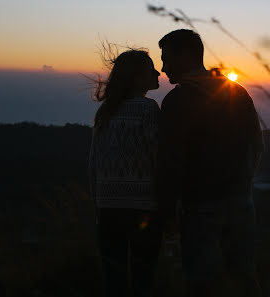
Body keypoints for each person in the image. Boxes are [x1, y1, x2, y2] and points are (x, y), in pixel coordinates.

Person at [157, 29, 264, 297]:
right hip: (242, 203)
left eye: (167, 59)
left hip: (200, 208)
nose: (163, 68)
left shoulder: (178, 100)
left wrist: (167, 212)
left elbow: (171, 160)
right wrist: (244, 182)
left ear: (187, 55)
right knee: (244, 279)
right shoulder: (236, 92)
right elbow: (257, 144)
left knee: (201, 284)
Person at [88, 49, 161, 297]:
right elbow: (157, 158)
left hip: (108, 209)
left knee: (114, 280)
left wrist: (98, 205)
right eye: (151, 69)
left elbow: (93, 164)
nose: (157, 72)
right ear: (137, 77)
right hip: (143, 209)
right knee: (143, 279)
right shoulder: (148, 109)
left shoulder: (105, 112)